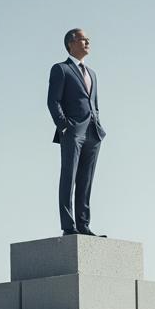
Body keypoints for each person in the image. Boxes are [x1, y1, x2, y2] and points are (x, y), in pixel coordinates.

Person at [47, 28, 107, 236]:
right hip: (72, 132)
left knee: (86, 180)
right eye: (83, 39)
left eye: (89, 39)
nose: (88, 42)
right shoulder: (61, 69)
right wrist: (64, 126)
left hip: (93, 133)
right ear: (71, 43)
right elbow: (53, 101)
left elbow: (94, 103)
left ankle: (84, 225)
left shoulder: (92, 73)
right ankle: (68, 226)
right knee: (68, 178)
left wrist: (98, 124)